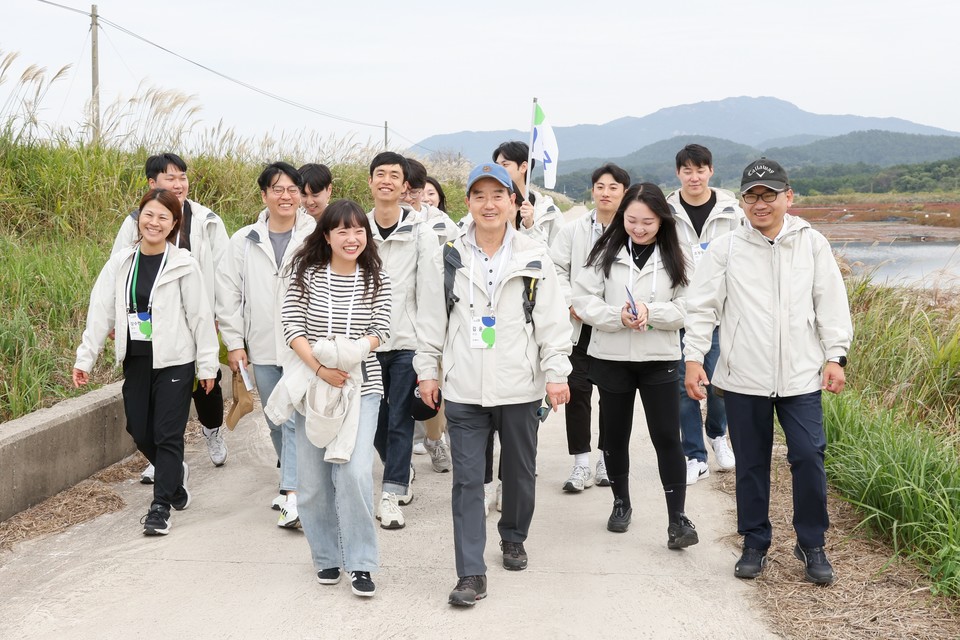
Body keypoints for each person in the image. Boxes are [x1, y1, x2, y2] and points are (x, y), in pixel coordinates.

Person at [683, 158, 852, 585]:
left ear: (788, 197)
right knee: (752, 464)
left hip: (801, 376)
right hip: (744, 377)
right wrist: (693, 358)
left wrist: (836, 355)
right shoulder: (726, 247)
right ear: (742, 201)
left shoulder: (811, 243)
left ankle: (811, 542)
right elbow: (701, 308)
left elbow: (830, 302)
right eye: (752, 196)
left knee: (809, 456)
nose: (761, 203)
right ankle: (755, 542)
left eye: (770, 194)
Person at [415, 162, 572, 607]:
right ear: (467, 202)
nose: (489, 204)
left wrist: (557, 373)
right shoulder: (447, 254)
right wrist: (427, 370)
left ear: (513, 203)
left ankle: (513, 536)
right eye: (479, 196)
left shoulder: (532, 254)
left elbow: (552, 322)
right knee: (467, 481)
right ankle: (470, 572)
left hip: (520, 386)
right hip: (464, 387)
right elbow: (430, 320)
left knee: (520, 472)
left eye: (498, 195)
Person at [74, 189, 219, 535]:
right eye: (148, 215)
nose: (154, 222)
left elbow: (200, 316)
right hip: (137, 359)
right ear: (139, 218)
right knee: (139, 430)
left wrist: (208, 364)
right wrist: (86, 357)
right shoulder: (122, 261)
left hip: (176, 360)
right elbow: (100, 309)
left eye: (163, 217)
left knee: (168, 434)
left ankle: (159, 508)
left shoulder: (184, 264)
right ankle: (174, 483)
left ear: (173, 225)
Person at [572, 182, 699, 549]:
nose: (639, 229)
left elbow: (689, 306)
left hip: (658, 357)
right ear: (622, 217)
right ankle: (621, 502)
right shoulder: (605, 251)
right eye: (632, 221)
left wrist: (650, 312)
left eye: (648, 222)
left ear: (662, 220)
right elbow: (583, 299)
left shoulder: (678, 254)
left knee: (665, 437)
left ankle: (677, 519)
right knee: (614, 435)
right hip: (612, 356)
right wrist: (616, 316)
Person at [281, 199, 393, 598]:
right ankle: (327, 556)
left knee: (354, 472)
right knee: (311, 482)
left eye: (359, 229)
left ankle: (361, 563)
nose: (352, 237)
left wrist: (352, 353)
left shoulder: (377, 278)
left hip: (362, 387)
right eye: (342, 230)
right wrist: (321, 368)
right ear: (326, 235)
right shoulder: (305, 275)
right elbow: (292, 327)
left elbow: (383, 330)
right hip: (313, 388)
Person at [112, 153, 229, 482]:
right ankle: (166, 458)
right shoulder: (138, 219)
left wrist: (220, 315)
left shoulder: (206, 220)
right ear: (152, 184)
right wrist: (114, 318)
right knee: (158, 394)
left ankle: (212, 430)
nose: (178, 184)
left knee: (206, 385)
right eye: (170, 178)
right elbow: (118, 268)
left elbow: (224, 271)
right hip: (151, 322)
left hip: (196, 314)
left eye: (182, 177)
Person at [216, 162, 316, 528]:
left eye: (292, 190)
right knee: (275, 420)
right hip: (260, 347)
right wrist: (234, 343)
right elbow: (228, 294)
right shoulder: (244, 240)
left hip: (303, 347)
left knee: (293, 421)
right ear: (264, 195)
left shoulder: (316, 236)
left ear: (300, 196)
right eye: (278, 189)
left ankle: (293, 494)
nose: (285, 196)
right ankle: (293, 484)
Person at [366, 152, 439, 529]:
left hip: (407, 340)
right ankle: (400, 467)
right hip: (366, 343)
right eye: (380, 174)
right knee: (374, 417)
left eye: (394, 176)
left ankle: (391, 492)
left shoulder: (422, 232)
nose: (387, 181)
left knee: (399, 418)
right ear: (371, 182)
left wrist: (430, 352)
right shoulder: (356, 229)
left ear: (404, 186)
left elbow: (428, 294)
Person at [665, 144, 744, 485]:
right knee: (686, 386)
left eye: (700, 170)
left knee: (719, 381)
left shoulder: (731, 210)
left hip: (722, 311)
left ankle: (718, 435)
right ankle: (694, 454)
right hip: (681, 311)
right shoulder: (667, 211)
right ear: (678, 173)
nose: (694, 177)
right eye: (687, 170)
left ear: (711, 170)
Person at [550, 163, 630, 492]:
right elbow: (555, 268)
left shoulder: (632, 228)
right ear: (592, 190)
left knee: (611, 397)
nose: (605, 192)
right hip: (579, 326)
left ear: (624, 192)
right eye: (600, 186)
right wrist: (570, 301)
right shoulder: (573, 230)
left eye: (613, 187)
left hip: (613, 326)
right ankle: (580, 463)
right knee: (578, 392)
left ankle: (606, 460)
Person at [492, 141, 562, 245]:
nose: (498, 170)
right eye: (497, 165)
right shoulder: (488, 206)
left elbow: (556, 256)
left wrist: (530, 227)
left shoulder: (548, 211)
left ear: (523, 167)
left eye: (505, 164)